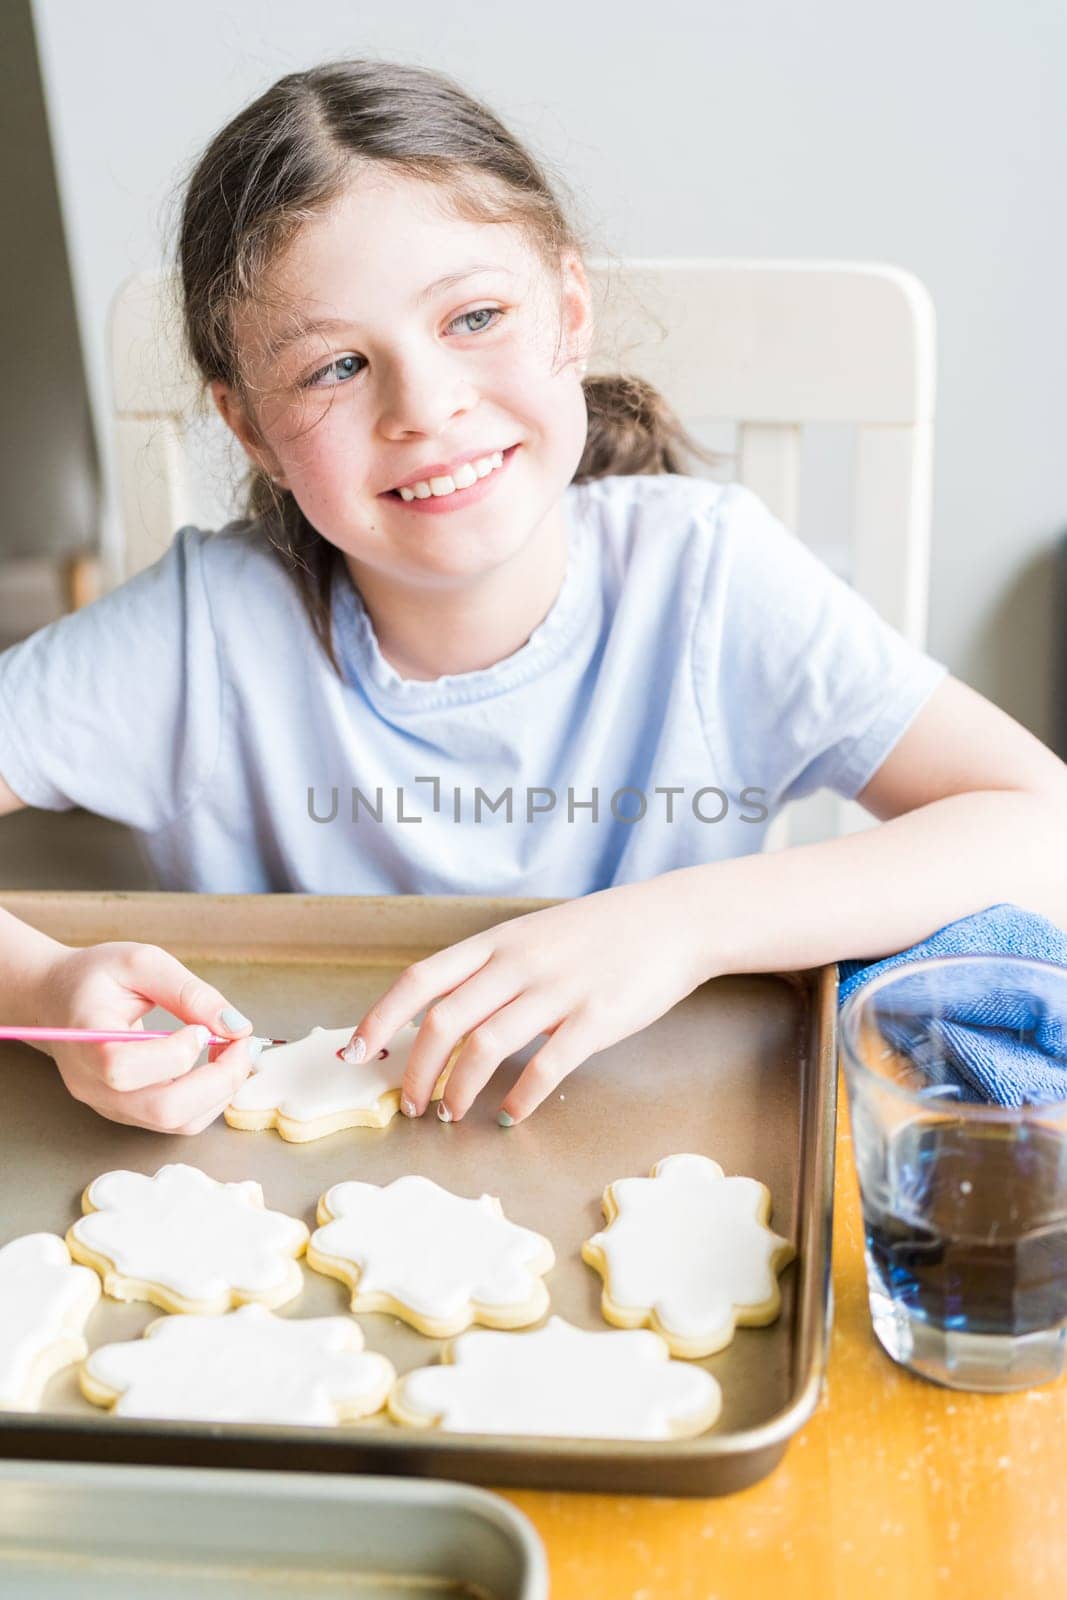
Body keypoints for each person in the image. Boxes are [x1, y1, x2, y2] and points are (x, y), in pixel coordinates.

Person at [1, 60, 1066, 1135]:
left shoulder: (707, 581)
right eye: (335, 367)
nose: (425, 406)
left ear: (568, 312)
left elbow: (1044, 828)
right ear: (249, 430)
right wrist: (42, 992)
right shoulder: (202, 638)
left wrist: (672, 927)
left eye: (471, 317)